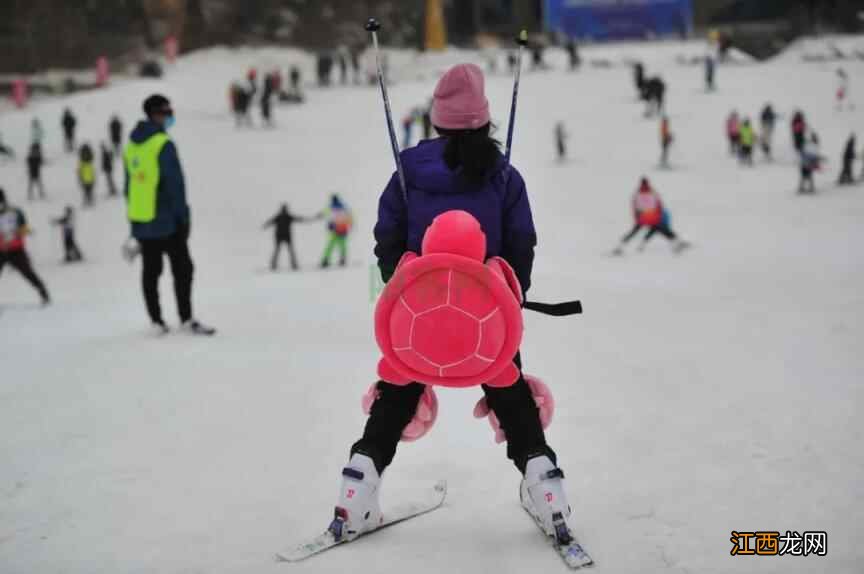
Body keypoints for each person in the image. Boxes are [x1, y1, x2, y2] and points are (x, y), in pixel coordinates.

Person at [331, 63, 573, 546]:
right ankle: (548, 491)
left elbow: (387, 238)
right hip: (487, 313)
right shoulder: (504, 176)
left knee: (396, 396)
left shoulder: (407, 172)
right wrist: (510, 295)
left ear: (438, 120)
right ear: (484, 120)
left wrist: (403, 290)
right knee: (512, 399)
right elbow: (521, 241)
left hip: (417, 314)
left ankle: (356, 489)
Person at [123, 94, 215, 335]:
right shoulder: (163, 144)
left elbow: (128, 186)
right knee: (183, 269)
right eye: (167, 112)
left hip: (142, 219)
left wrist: (133, 220)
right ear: (156, 114)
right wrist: (183, 217)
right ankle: (186, 318)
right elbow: (175, 185)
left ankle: (156, 321)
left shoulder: (131, 145)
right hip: (166, 220)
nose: (170, 117)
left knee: (151, 271)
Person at [612, 177, 689, 255]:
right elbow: (659, 206)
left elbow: (635, 208)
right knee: (662, 229)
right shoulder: (653, 194)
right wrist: (659, 216)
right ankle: (677, 243)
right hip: (653, 217)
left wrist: (637, 218)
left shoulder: (637, 195)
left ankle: (621, 245)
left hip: (642, 218)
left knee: (634, 232)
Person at [0, 188, 50, 305]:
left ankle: (43, 292)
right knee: (27, 272)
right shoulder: (15, 211)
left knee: (27, 272)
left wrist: (22, 232)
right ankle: (43, 292)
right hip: (5, 250)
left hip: (15, 249)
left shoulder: (15, 212)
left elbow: (23, 227)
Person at [262, 203, 319, 271]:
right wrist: (265, 225)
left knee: (285, 250)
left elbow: (299, 219)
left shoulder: (283, 216)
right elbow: (270, 222)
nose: (284, 211)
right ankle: (287, 264)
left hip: (284, 236)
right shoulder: (283, 216)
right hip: (282, 236)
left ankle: (288, 264)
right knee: (284, 250)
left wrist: (265, 225)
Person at [320, 194, 352, 268]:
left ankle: (326, 259)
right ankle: (341, 259)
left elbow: (327, 214)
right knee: (340, 245)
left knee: (332, 245)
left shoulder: (334, 208)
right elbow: (349, 218)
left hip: (338, 229)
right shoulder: (343, 208)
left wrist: (331, 224)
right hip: (341, 229)